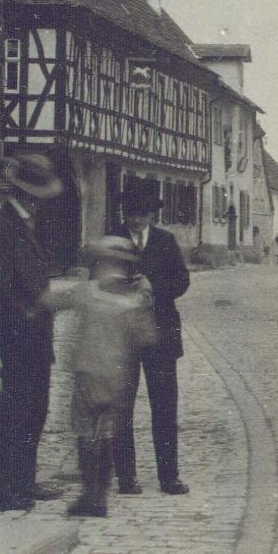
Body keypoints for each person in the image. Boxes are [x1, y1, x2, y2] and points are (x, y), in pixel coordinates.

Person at [0, 153, 67, 512]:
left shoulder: (29, 224)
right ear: (27, 194)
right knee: (15, 412)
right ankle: (2, 490)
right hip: (18, 335)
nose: (42, 202)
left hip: (36, 336)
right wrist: (33, 310)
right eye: (38, 195)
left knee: (35, 410)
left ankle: (24, 480)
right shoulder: (2, 226)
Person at [59, 236, 159, 518]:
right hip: (117, 378)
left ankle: (91, 495)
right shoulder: (133, 301)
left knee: (85, 434)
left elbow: (50, 301)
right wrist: (145, 297)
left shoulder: (86, 292)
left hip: (87, 375)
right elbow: (148, 338)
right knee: (106, 435)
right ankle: (99, 496)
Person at [114, 187, 193, 496]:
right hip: (123, 336)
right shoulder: (112, 241)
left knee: (164, 407)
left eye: (142, 214)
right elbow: (97, 282)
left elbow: (182, 281)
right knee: (122, 407)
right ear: (124, 214)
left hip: (160, 335)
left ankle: (169, 476)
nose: (136, 220)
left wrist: (153, 286)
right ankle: (126, 477)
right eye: (131, 214)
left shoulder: (165, 241)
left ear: (151, 215)